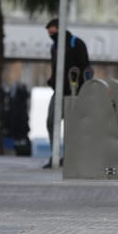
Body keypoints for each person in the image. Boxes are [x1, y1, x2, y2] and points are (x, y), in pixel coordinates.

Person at [43, 18, 92, 167]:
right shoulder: (54, 47)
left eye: (53, 32)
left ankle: (70, 156)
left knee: (71, 126)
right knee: (51, 121)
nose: (51, 35)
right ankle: (55, 155)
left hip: (74, 93)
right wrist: (52, 81)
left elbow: (86, 68)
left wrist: (83, 88)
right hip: (58, 91)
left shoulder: (76, 43)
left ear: (60, 29)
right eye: (49, 33)